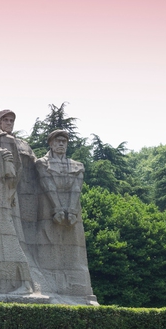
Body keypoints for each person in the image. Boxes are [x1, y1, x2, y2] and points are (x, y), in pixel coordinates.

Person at [34, 129, 96, 302]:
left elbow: (77, 188)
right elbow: (47, 185)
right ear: (51, 144)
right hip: (48, 208)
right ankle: (50, 286)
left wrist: (72, 210)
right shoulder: (42, 163)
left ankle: (77, 288)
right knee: (48, 245)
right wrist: (57, 208)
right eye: (57, 141)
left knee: (74, 249)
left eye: (64, 141)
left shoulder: (77, 165)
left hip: (72, 210)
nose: (61, 144)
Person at [0, 122, 33, 295]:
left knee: (11, 242)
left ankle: (26, 283)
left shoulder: (4, 154)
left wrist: (7, 199)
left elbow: (11, 179)